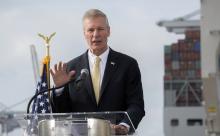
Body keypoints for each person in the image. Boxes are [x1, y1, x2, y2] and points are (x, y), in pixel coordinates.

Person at [50, 9, 145, 135]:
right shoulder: (70, 69)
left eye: (100, 29)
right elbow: (61, 113)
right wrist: (59, 89)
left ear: (108, 31)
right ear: (84, 33)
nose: (96, 34)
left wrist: (123, 126)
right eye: (90, 30)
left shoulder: (127, 65)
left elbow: (136, 105)